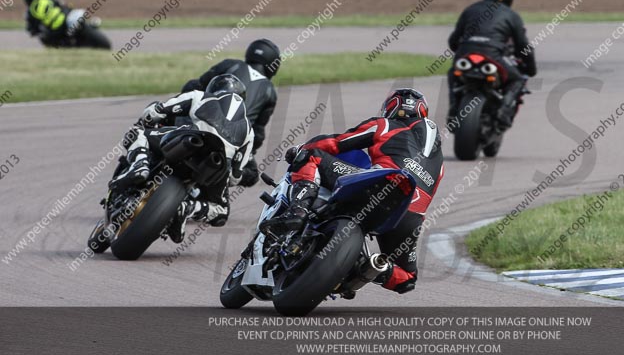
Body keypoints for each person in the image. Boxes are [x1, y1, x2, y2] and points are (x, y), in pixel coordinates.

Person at [261, 88, 444, 295]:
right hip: (410, 213)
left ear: (391, 108)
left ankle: (298, 212)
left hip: (381, 182)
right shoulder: (440, 164)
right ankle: (369, 267)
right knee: (407, 279)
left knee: (312, 155)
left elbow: (337, 143)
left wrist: (301, 148)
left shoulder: (384, 125)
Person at [109, 74, 254, 243]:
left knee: (137, 133)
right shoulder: (249, 131)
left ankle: (140, 165)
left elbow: (156, 111)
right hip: (217, 164)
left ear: (213, 88)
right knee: (221, 212)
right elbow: (236, 178)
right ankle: (188, 208)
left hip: (189, 139)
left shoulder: (200, 96)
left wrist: (147, 119)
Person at [181, 39, 280, 187]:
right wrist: (247, 152)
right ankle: (222, 179)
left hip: (201, 121)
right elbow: (258, 133)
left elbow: (196, 85)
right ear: (273, 63)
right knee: (252, 174)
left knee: (162, 116)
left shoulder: (231, 64)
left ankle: (142, 154)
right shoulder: (270, 91)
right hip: (233, 138)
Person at [446, 0, 536, 130]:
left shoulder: (470, 9)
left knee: (452, 74)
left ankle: (454, 109)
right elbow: (523, 45)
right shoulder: (512, 15)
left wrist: (461, 50)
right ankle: (503, 112)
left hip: (466, 53)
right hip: (493, 55)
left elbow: (453, 40)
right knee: (518, 79)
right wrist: (531, 68)